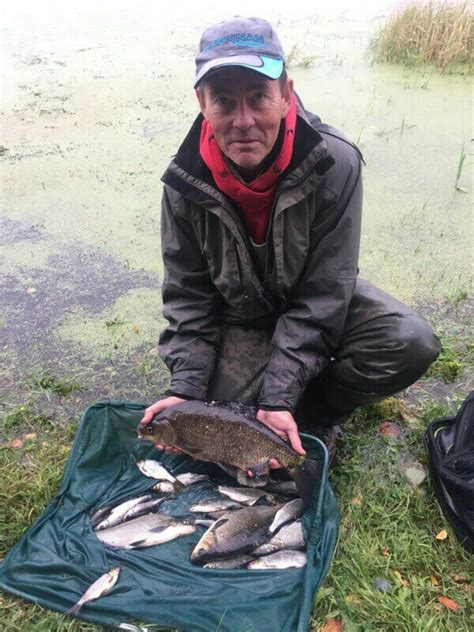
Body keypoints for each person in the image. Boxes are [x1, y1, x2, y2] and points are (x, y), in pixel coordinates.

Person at [139, 16, 440, 461]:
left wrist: (279, 399)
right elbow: (189, 302)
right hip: (237, 315)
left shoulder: (334, 164)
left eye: (258, 97)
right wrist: (186, 394)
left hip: (311, 300)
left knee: (408, 341)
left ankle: (314, 414)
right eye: (224, 100)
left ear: (286, 95)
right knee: (213, 421)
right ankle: (269, 403)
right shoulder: (184, 182)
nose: (243, 121)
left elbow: (324, 295)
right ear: (202, 102)